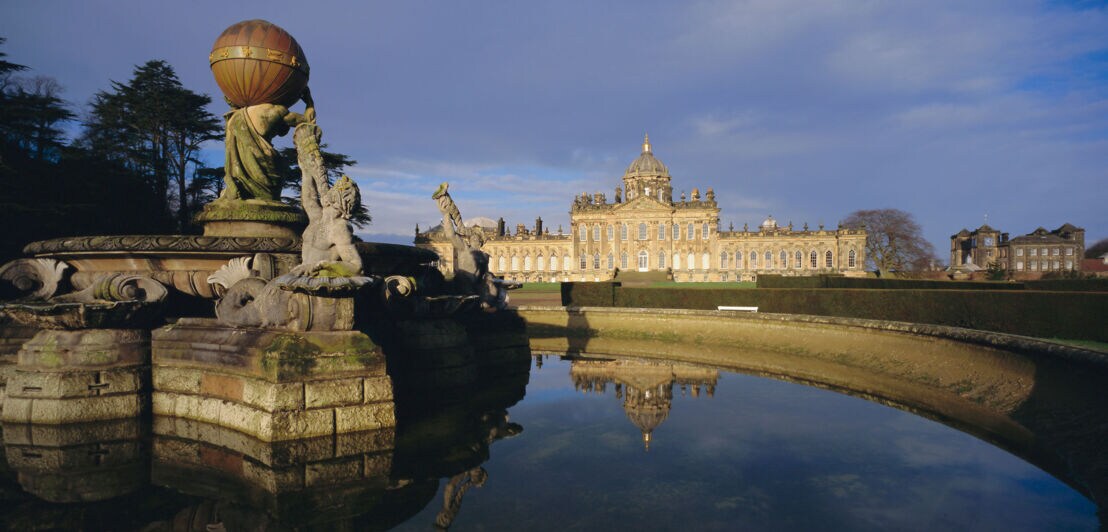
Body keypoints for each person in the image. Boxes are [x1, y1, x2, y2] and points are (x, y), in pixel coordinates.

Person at [219, 88, 315, 201]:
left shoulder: (235, 117)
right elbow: (308, 121)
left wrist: (234, 97)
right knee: (270, 197)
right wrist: (309, 102)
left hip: (238, 175)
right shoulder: (277, 111)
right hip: (265, 164)